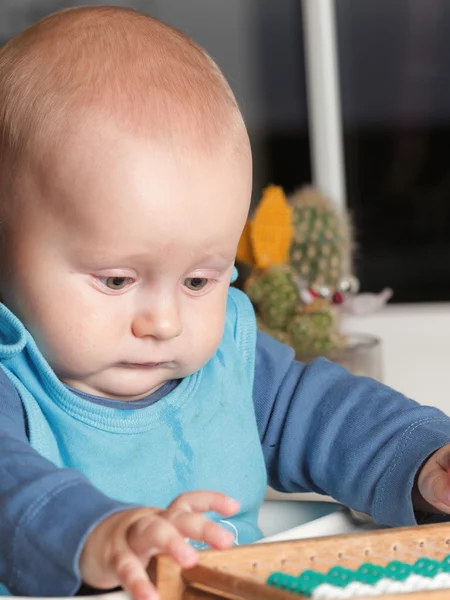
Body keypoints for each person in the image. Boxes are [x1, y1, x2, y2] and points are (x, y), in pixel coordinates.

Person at [0, 6, 450, 600]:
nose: (162, 322)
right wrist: (99, 535)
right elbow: (14, 491)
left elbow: (325, 416)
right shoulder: (14, 380)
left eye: (197, 282)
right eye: (115, 281)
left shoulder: (225, 362)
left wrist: (424, 461)